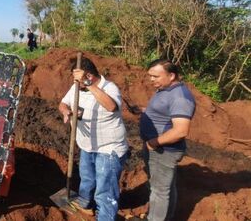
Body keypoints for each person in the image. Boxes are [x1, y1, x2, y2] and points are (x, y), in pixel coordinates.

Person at [58, 56, 128, 220]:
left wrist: (88, 85)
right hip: (86, 145)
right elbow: (63, 103)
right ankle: (85, 205)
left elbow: (111, 106)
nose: (76, 83)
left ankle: (105, 216)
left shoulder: (110, 88)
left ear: (88, 76)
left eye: (79, 80)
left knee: (105, 190)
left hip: (108, 148)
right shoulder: (77, 87)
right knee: (87, 179)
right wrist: (65, 111)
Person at [138, 59, 195, 221]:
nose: (151, 80)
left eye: (155, 76)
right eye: (150, 76)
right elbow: (165, 112)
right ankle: (166, 217)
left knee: (159, 191)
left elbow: (181, 130)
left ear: (171, 75)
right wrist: (144, 111)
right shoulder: (166, 89)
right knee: (166, 187)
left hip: (164, 151)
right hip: (158, 148)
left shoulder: (180, 97)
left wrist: (153, 143)